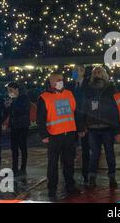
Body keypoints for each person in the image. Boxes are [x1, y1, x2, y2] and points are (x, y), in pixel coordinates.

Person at [37, 72, 84, 200]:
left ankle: (70, 186)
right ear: (51, 82)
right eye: (58, 80)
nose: (61, 82)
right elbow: (40, 119)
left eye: (62, 80)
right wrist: (44, 135)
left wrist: (80, 128)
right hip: (54, 136)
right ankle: (52, 189)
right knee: (52, 164)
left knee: (69, 162)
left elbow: (76, 112)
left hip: (69, 134)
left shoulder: (69, 94)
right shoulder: (44, 97)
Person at [82, 66, 120, 188]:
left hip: (107, 128)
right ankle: (92, 178)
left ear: (104, 74)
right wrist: (84, 125)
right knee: (94, 154)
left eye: (100, 71)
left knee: (110, 154)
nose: (98, 73)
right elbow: (84, 107)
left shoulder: (111, 88)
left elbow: (116, 109)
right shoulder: (88, 88)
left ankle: (112, 177)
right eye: (96, 72)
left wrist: (117, 130)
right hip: (93, 128)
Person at [68, 64, 90, 186]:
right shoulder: (70, 86)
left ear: (83, 72)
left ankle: (86, 175)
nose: (74, 72)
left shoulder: (88, 85)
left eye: (76, 70)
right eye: (73, 70)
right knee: (70, 149)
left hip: (84, 122)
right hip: (71, 122)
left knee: (85, 149)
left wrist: (84, 124)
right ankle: (69, 176)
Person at [4, 82, 30, 177]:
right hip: (14, 126)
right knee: (14, 148)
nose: (9, 92)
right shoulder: (12, 99)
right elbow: (9, 112)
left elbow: (23, 110)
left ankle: (23, 167)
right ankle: (14, 167)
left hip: (22, 126)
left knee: (22, 147)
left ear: (16, 89)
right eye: (8, 91)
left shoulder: (24, 98)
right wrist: (6, 106)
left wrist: (13, 103)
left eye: (11, 90)